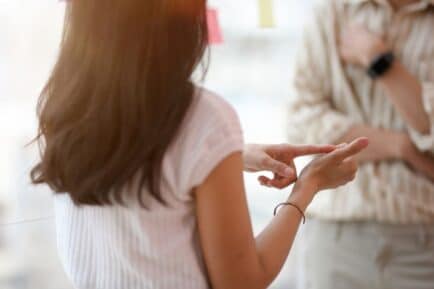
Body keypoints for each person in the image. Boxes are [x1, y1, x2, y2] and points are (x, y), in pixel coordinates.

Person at [29, 1, 368, 289]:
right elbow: (242, 281)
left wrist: (229, 157)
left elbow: (135, 172)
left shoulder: (64, 106)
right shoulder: (204, 119)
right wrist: (308, 187)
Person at [288, 0, 434, 288]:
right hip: (337, 238)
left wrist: (378, 60)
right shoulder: (331, 14)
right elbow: (302, 124)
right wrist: (402, 147)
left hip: (424, 243)